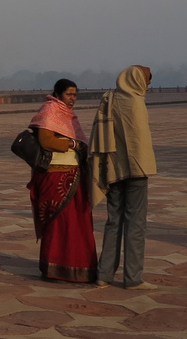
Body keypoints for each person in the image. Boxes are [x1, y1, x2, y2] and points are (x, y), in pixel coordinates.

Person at [91, 66, 156, 290]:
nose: (148, 85)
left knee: (113, 222)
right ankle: (133, 278)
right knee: (136, 224)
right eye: (147, 80)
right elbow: (138, 142)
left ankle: (104, 275)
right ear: (138, 81)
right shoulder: (136, 102)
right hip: (136, 171)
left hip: (113, 168)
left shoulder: (110, 99)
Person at [26, 79, 97, 283]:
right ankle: (55, 267)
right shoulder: (50, 111)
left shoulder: (65, 113)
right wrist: (73, 144)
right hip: (55, 174)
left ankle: (79, 266)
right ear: (57, 94)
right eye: (69, 95)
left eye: (75, 95)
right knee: (59, 224)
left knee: (77, 223)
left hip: (73, 172)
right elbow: (46, 140)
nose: (73, 99)